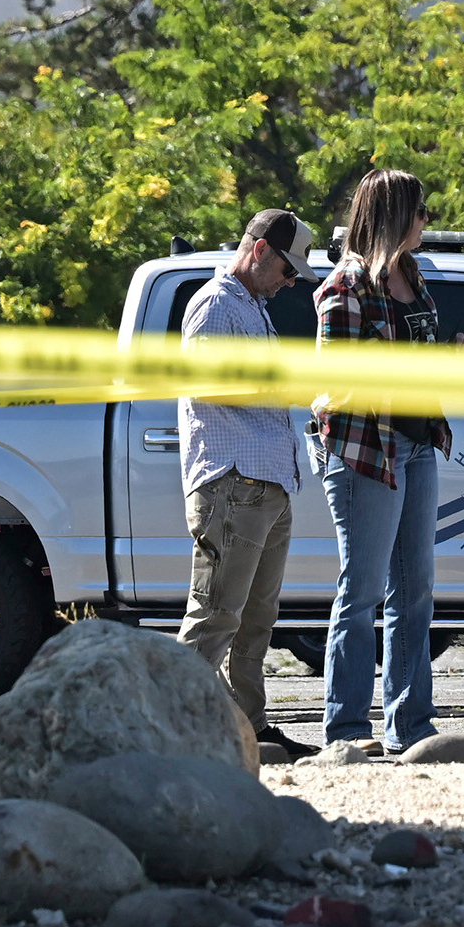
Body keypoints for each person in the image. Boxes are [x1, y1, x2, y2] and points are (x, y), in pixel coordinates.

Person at [312, 170, 453, 755]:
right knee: (362, 589)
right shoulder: (345, 287)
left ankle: (410, 725)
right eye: (420, 211)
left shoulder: (413, 277)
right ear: (395, 214)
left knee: (415, 587)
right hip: (365, 450)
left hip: (418, 443)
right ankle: (346, 729)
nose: (427, 221)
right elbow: (335, 381)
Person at [177, 209, 319, 760]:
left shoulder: (250, 306)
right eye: (288, 269)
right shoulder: (215, 304)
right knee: (215, 617)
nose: (291, 282)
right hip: (234, 484)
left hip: (264, 486)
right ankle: (171, 728)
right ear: (259, 251)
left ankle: (250, 731)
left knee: (255, 621)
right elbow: (207, 383)